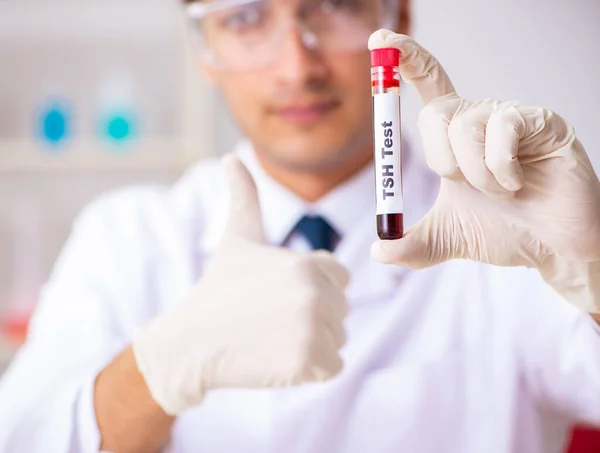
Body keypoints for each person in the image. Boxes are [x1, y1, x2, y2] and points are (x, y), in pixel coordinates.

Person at [1, 0, 600, 452]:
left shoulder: (513, 234)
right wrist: (159, 366)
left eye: (335, 4)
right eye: (245, 18)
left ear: (399, 17)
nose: (297, 65)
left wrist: (594, 261)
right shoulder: (129, 237)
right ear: (202, 50)